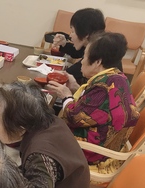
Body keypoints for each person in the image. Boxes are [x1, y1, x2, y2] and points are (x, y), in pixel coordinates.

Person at [48, 32, 139, 165]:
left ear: (97, 62)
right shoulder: (117, 77)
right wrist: (75, 87)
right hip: (108, 142)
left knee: (41, 127)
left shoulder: (102, 88)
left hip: (94, 153)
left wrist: (66, 96)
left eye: (84, 56)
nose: (83, 61)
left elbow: (74, 117)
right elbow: (95, 107)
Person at [51, 8, 108, 85]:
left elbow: (68, 74)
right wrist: (64, 43)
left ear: (86, 34)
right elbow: (78, 52)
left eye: (73, 31)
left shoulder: (97, 54)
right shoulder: (100, 44)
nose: (70, 35)